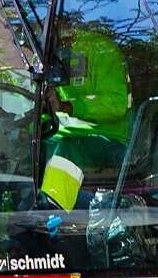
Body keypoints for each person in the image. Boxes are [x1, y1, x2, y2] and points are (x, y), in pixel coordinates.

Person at [40, 20, 133, 209]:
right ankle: (17, 215)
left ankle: (50, 214)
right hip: (65, 136)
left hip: (111, 139)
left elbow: (117, 104)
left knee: (69, 150)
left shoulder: (101, 51)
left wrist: (68, 107)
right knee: (31, 148)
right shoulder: (44, 58)